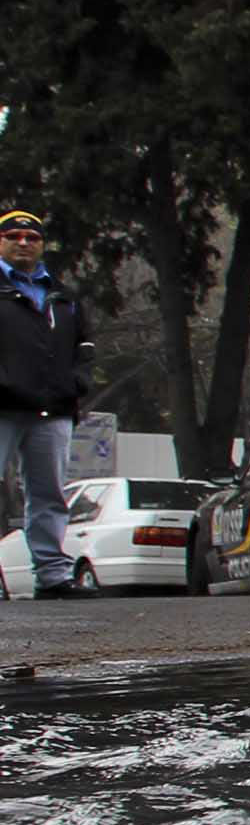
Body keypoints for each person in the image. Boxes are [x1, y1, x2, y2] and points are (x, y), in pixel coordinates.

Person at [0, 206, 92, 598]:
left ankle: (53, 576)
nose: (23, 243)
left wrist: (78, 381)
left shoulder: (63, 296)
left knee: (49, 492)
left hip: (52, 410)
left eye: (32, 238)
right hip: (3, 407)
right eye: (13, 236)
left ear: (41, 245)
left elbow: (84, 347)